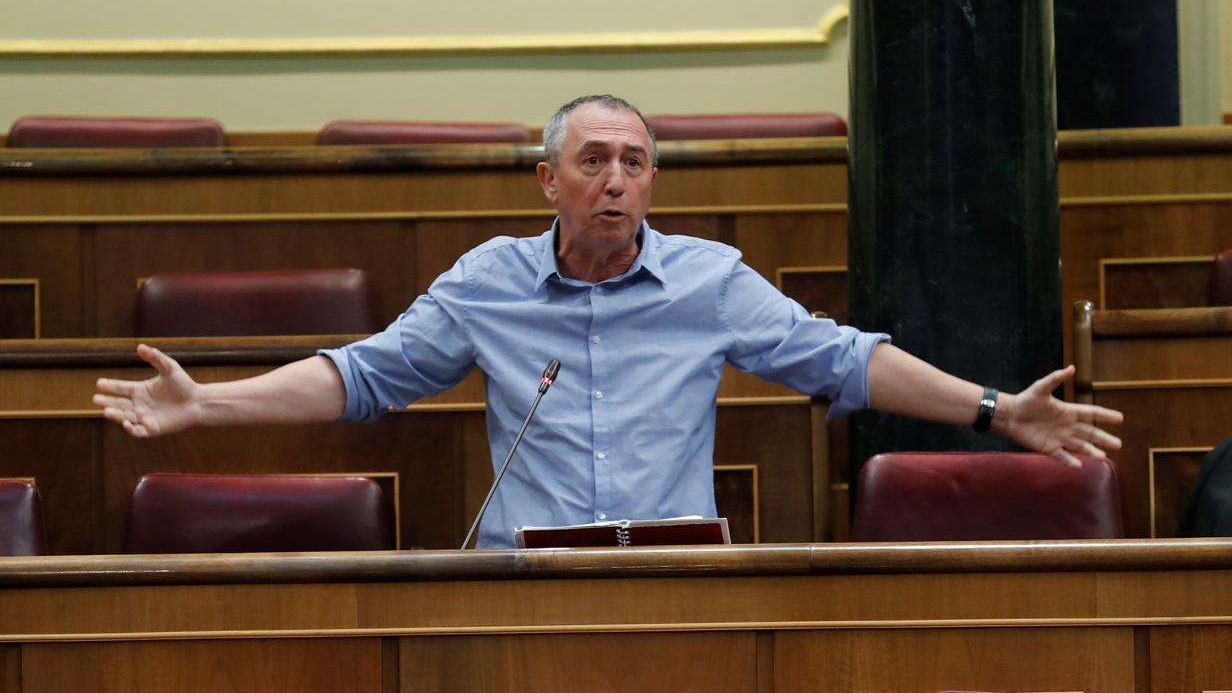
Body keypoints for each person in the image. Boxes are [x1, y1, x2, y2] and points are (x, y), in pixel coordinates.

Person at [94, 94, 1124, 548]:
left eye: (634, 161)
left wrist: (997, 409)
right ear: (550, 179)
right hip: (522, 580)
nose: (616, 181)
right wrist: (207, 407)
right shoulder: (488, 281)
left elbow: (844, 362)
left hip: (673, 576)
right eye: (593, 160)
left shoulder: (709, 280)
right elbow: (364, 374)